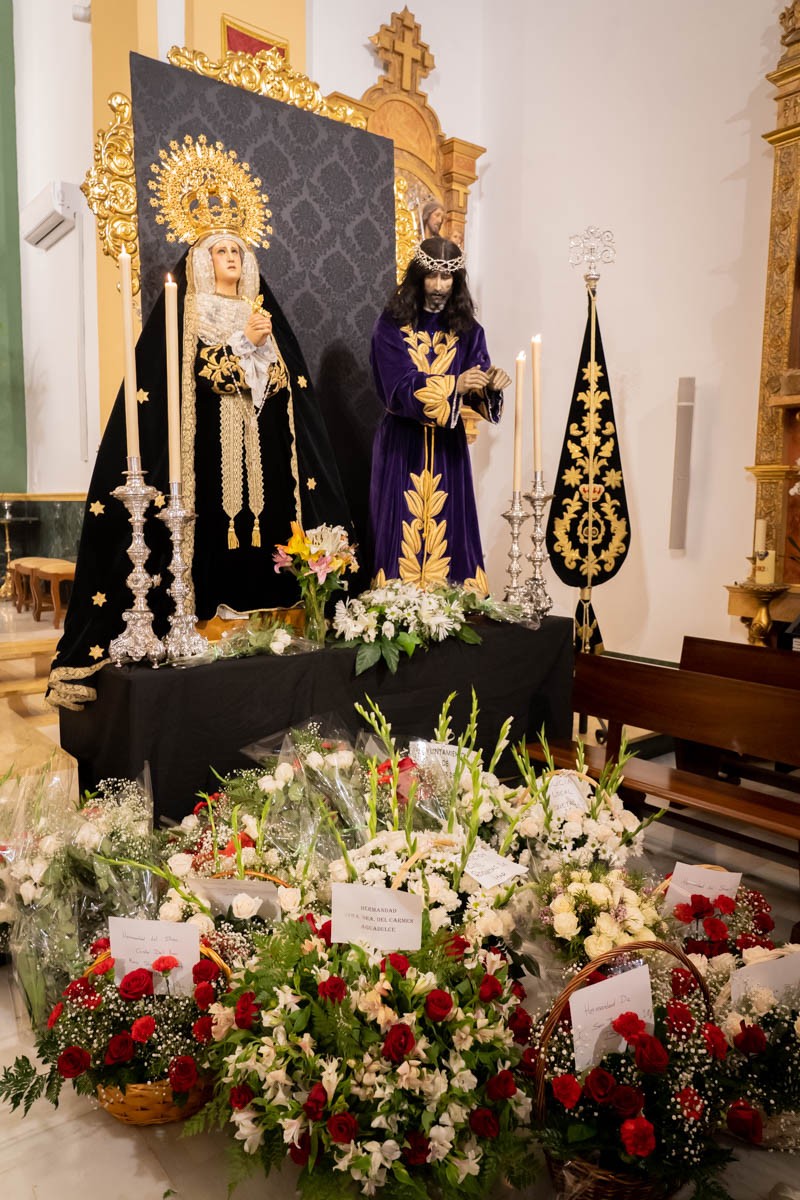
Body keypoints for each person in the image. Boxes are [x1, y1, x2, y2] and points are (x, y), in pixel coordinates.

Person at [47, 230, 350, 709]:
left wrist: (260, 355)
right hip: (203, 454)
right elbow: (203, 375)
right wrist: (241, 346)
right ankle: (199, 621)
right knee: (204, 530)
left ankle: (272, 617)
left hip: (262, 454)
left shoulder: (262, 316)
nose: (230, 258)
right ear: (204, 263)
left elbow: (282, 385)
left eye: (237, 251)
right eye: (220, 251)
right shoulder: (189, 314)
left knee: (270, 534)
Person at [369, 237, 511, 592]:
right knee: (399, 520)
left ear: (456, 281)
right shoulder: (391, 326)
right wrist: (453, 385)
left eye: (446, 278)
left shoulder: (469, 331)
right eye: (431, 276)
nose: (437, 286)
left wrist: (489, 385)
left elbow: (476, 381)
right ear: (417, 277)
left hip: (448, 448)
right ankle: (395, 603)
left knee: (451, 521)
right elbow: (397, 386)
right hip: (403, 444)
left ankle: (452, 601)